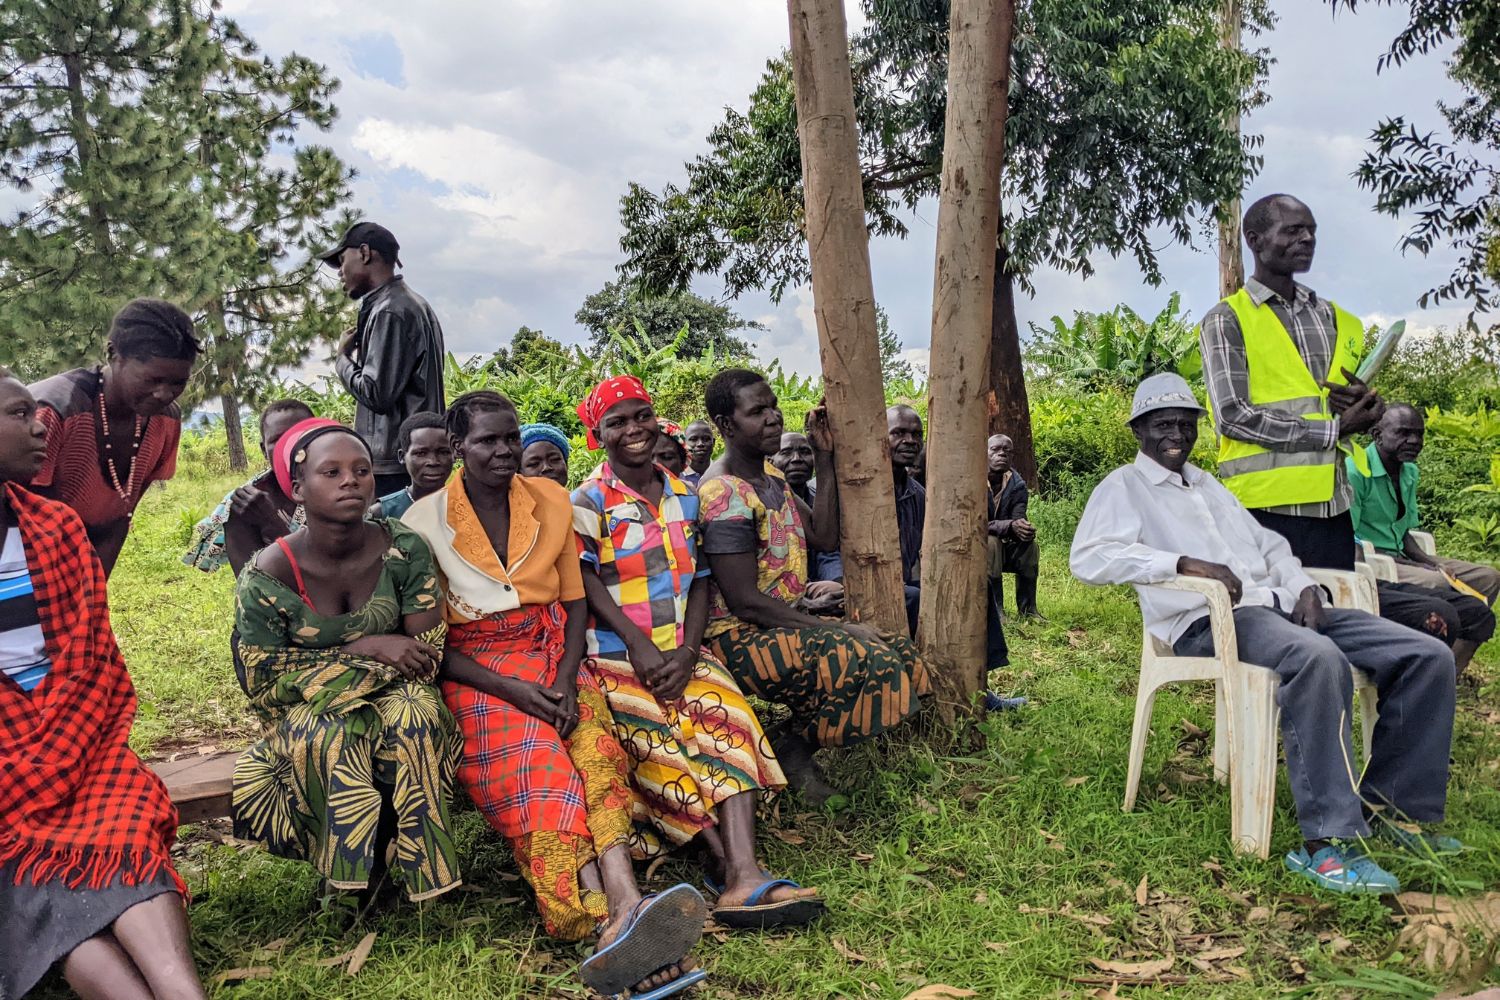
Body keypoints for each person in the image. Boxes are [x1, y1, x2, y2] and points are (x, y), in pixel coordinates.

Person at [1071, 373, 1460, 895]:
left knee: (1427, 654)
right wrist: (1183, 562)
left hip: (1278, 608)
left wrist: (1302, 588)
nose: (1177, 436)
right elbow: (1089, 557)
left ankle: (1394, 812)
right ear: (1138, 430)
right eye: (1163, 425)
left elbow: (1271, 546)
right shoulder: (1124, 486)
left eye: (1187, 426)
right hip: (1209, 621)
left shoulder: (1208, 485)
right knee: (1317, 658)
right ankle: (1326, 844)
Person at [403, 391, 708, 998]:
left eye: (510, 438)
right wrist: (512, 687)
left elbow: (573, 601)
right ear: (459, 448)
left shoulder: (548, 498)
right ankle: (601, 920)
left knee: (594, 752)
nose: (504, 450)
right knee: (541, 770)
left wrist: (568, 678)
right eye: (488, 440)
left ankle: (625, 900)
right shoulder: (420, 524)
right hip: (478, 669)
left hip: (553, 653)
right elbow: (434, 644)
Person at [572, 377, 824, 929]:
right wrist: (638, 646)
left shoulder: (686, 494)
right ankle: (721, 864)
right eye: (617, 422)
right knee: (659, 743)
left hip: (684, 648)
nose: (633, 429)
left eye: (641, 416)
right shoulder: (588, 501)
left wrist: (688, 651)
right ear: (598, 435)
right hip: (615, 657)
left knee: (727, 718)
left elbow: (704, 580)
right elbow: (585, 582)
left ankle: (744, 873)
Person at [0, 369, 208, 1000]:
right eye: (17, 415)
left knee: (123, 827)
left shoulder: (55, 527)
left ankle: (182, 993)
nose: (39, 425)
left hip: (78, 745)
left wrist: (52, 751)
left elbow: (93, 663)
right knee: (29, 872)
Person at [231, 418, 463, 908]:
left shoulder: (403, 548)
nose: (350, 481)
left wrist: (338, 664)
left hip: (395, 689)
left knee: (415, 716)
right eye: (330, 472)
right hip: (305, 705)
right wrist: (367, 647)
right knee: (328, 735)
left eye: (360, 470)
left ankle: (425, 876)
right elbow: (265, 679)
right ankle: (356, 879)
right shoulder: (266, 576)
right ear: (297, 489)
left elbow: (426, 649)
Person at [697, 369, 931, 804]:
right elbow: (746, 603)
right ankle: (792, 748)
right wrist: (837, 629)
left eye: (773, 407)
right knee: (867, 661)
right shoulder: (723, 494)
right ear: (726, 425)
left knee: (897, 648)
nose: (773, 418)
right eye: (757, 412)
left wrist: (825, 458)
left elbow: (822, 536)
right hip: (737, 638)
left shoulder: (771, 480)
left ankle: (793, 743)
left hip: (779, 624)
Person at [1198, 193, 1384, 572]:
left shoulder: (1334, 318)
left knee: (1338, 623)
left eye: (1312, 231)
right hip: (1262, 512)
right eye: (1294, 230)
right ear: (1254, 239)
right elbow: (1232, 416)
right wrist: (1333, 431)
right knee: (1277, 623)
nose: (1307, 239)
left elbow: (1328, 403)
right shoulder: (1227, 320)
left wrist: (1367, 409)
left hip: (1334, 506)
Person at [29, 298, 200, 576]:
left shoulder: (165, 420)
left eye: (177, 383)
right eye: (152, 379)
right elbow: (24, 520)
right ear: (112, 354)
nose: (164, 394)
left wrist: (94, 594)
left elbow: (121, 516)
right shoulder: (54, 411)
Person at [1350, 403, 1497, 674]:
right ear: (1377, 435)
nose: (1414, 441)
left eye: (1419, 434)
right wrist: (1425, 569)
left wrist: (1429, 560)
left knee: (1488, 578)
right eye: (1404, 433)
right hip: (1371, 560)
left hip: (1401, 557)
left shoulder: (1409, 471)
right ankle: (1422, 667)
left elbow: (1404, 533)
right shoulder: (1356, 470)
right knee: (1437, 581)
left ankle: (1449, 670)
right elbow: (1351, 539)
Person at [323, 221, 446, 497]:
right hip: (412, 459)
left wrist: (342, 358)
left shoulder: (390, 311)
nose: (340, 273)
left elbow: (377, 393)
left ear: (365, 253)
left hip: (395, 465)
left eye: (342, 261)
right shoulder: (413, 303)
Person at [184, 399, 314, 575]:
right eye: (278, 439)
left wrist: (271, 523)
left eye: (300, 435)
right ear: (263, 449)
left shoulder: (343, 489)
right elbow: (251, 586)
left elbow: (333, 578)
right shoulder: (243, 503)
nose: (289, 446)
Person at [770, 431, 844, 610]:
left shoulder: (824, 502)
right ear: (770, 462)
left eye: (805, 452)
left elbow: (828, 554)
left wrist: (840, 583)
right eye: (786, 452)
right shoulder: (766, 502)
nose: (797, 459)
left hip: (819, 584)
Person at [986, 433, 1042, 619]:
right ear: (984, 453)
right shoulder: (971, 480)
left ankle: (1028, 609)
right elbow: (973, 525)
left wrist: (1022, 528)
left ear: (1012, 457)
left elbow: (1017, 518)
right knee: (991, 542)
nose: (1001, 454)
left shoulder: (1017, 484)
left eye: (1006, 451)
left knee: (1029, 546)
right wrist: (1010, 525)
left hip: (1002, 549)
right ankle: (996, 611)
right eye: (995, 449)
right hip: (973, 550)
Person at [886, 405, 927, 636]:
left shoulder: (918, 494)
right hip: (859, 585)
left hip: (903, 581)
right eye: (899, 433)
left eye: (917, 434)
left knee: (977, 588)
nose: (910, 440)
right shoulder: (856, 491)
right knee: (914, 597)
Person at [370, 412, 454, 520]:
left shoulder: (467, 506)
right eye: (421, 453)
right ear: (402, 457)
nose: (433, 462)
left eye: (443, 452)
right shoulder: (382, 513)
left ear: (454, 455)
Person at [519, 422, 572, 487]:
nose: (546, 468)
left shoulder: (581, 496)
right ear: (519, 472)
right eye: (534, 464)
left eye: (554, 459)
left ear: (566, 464)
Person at [683, 420, 715, 488]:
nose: (700, 444)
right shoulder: (676, 477)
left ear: (713, 443)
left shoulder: (724, 473)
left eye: (706, 439)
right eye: (693, 439)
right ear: (684, 443)